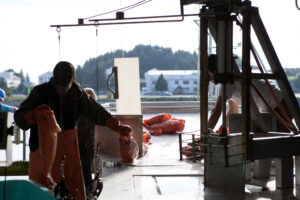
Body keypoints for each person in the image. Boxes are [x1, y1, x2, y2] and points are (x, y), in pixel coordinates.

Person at [14, 61, 133, 199]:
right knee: (42, 190)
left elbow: (97, 113)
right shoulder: (39, 93)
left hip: (69, 147)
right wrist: (33, 114)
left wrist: (119, 127)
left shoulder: (78, 94)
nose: (61, 91)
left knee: (75, 190)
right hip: (41, 149)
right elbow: (19, 118)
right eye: (57, 87)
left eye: (64, 87)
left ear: (73, 79)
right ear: (53, 79)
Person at [207, 54, 292, 133]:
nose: (208, 78)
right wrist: (222, 128)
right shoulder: (233, 78)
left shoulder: (228, 81)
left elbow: (217, 110)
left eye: (208, 74)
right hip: (276, 106)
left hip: (279, 106)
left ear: (214, 71)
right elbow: (233, 110)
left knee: (280, 144)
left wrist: (205, 133)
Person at [77, 87, 97, 199]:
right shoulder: (79, 113)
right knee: (86, 166)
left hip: (91, 145)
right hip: (81, 144)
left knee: (86, 166)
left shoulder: (95, 112)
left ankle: (87, 188)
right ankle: (87, 189)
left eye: (92, 98)